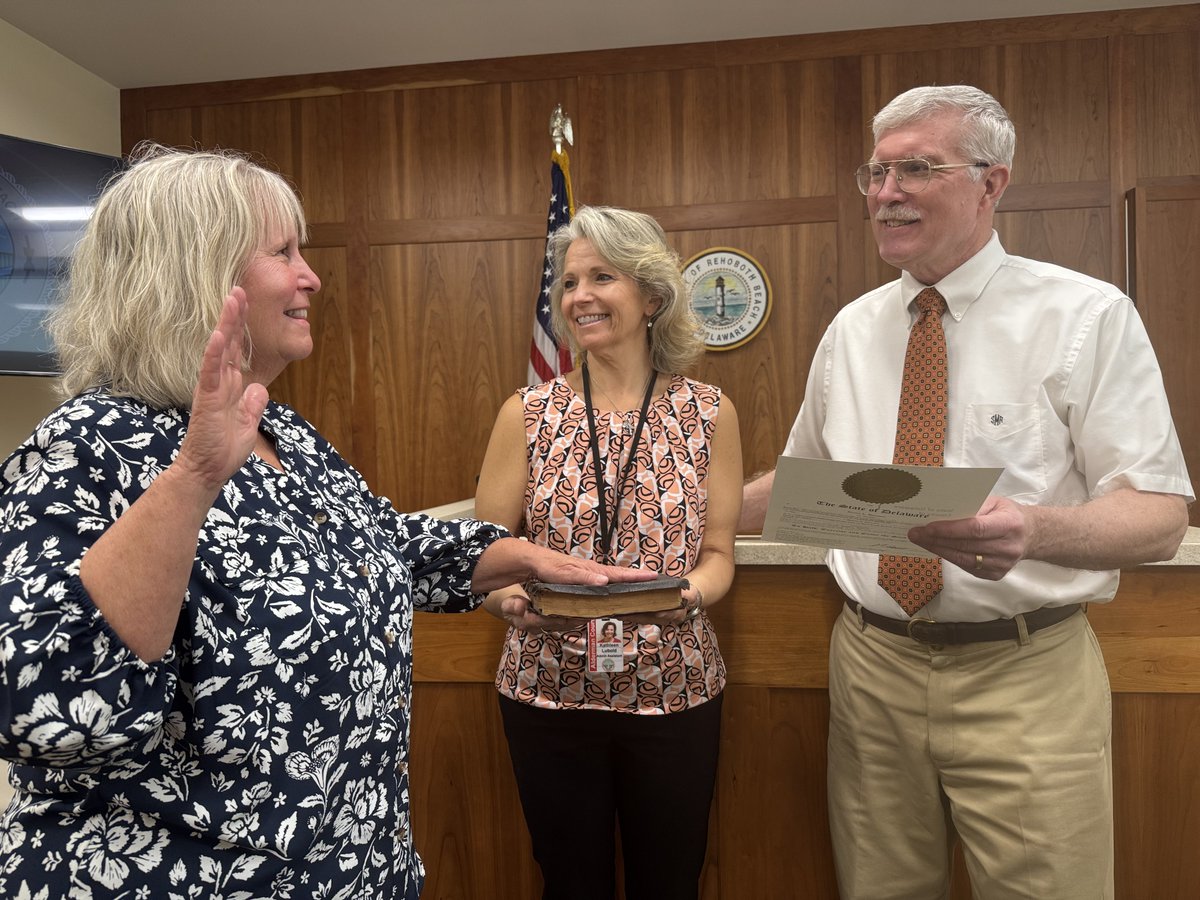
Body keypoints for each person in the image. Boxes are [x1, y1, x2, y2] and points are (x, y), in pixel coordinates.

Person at [0, 145, 652, 900]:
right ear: (199, 273)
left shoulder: (285, 431)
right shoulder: (87, 446)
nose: (311, 275)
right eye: (283, 252)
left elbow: (380, 544)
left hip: (354, 869)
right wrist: (194, 479)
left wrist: (515, 556)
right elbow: (46, 705)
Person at [741, 85, 1192, 899]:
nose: (885, 194)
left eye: (917, 168)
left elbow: (1157, 517)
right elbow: (797, 487)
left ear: (992, 182)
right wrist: (658, 513)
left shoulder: (1085, 316)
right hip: (871, 668)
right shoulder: (852, 329)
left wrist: (1035, 528)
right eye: (876, 173)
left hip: (1025, 675)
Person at [475, 205, 742, 900]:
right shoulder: (526, 414)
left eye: (602, 277)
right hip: (549, 691)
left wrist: (690, 594)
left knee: (670, 879)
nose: (578, 297)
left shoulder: (709, 411)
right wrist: (511, 604)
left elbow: (718, 554)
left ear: (652, 296)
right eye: (568, 283)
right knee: (570, 882)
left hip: (675, 688)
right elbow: (486, 559)